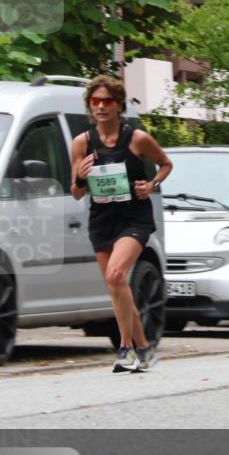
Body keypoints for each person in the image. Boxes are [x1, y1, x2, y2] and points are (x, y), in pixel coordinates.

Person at [71, 75, 173, 372]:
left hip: (134, 218)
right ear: (90, 106)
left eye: (107, 101)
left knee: (116, 275)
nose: (101, 106)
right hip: (102, 219)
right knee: (117, 287)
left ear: (118, 106)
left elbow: (166, 164)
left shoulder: (137, 139)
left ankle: (126, 349)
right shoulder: (82, 143)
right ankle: (145, 350)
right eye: (95, 101)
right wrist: (81, 176)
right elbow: (76, 192)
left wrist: (151, 185)